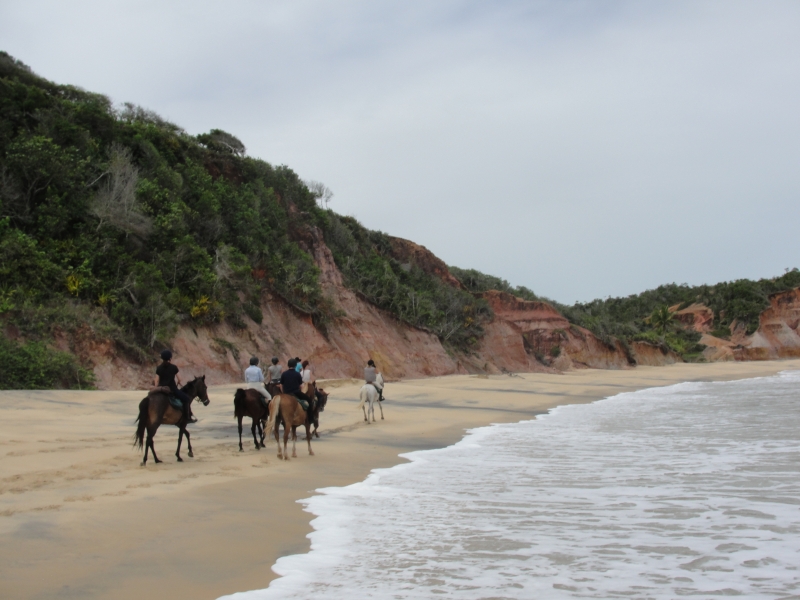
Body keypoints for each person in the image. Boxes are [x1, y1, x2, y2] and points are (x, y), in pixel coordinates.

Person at [154, 349, 195, 422]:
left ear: (162, 358)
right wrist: (178, 382)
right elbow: (180, 379)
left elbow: (156, 381)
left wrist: (157, 388)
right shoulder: (173, 367)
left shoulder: (159, 368)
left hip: (162, 388)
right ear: (170, 358)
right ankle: (187, 418)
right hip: (172, 389)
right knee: (186, 399)